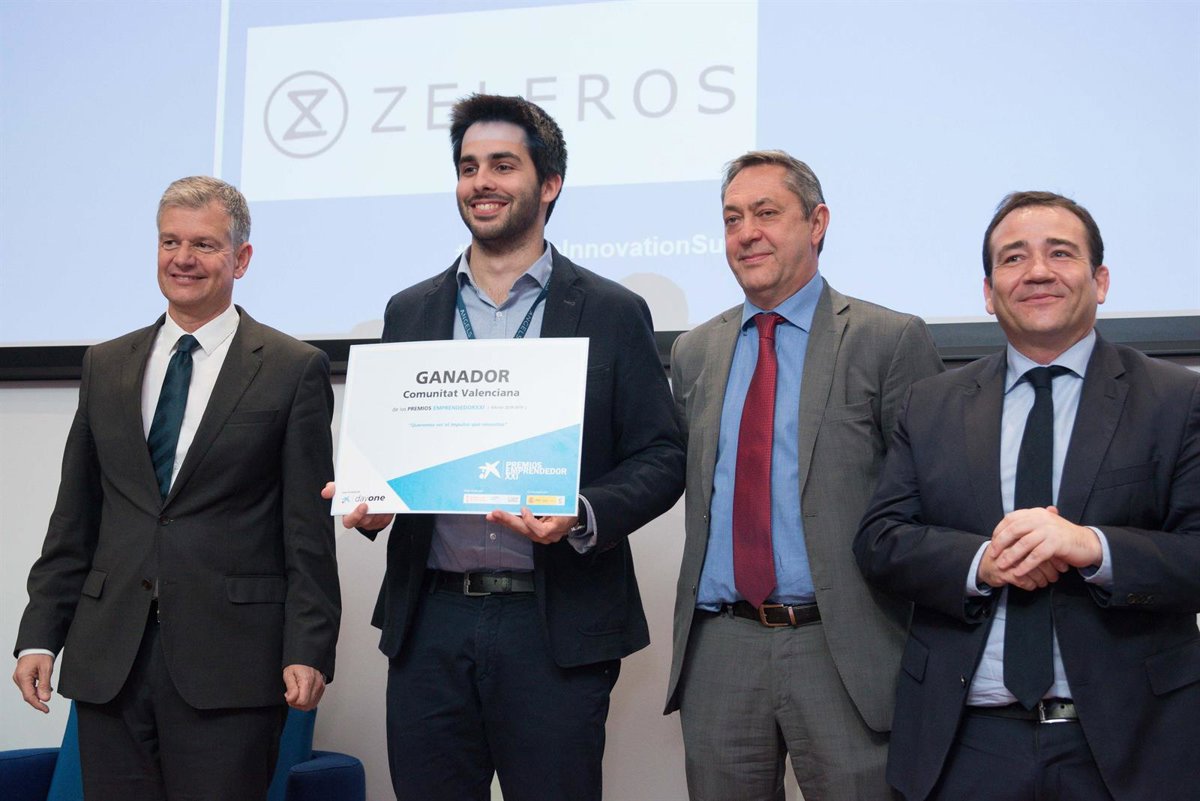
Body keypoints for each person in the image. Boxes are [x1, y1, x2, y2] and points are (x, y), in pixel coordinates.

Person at [326, 94, 685, 801]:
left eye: (501, 165)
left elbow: (663, 455)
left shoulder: (611, 310)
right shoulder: (411, 310)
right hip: (430, 620)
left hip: (553, 625)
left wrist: (583, 511)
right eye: (467, 168)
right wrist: (374, 496)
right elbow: (394, 448)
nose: (480, 182)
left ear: (549, 183)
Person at [854, 191, 1200, 801]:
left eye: (1060, 253)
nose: (1037, 271)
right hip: (965, 742)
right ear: (989, 294)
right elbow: (881, 540)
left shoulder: (1175, 399)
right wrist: (981, 563)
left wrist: (1093, 548)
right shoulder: (932, 403)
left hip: (1129, 743)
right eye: (1013, 258)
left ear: (1101, 281)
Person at [12, 176, 341, 801]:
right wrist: (39, 635)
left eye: (204, 245)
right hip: (110, 659)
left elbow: (307, 532)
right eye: (170, 242)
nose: (183, 258)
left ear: (241, 258)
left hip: (231, 666)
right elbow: (75, 517)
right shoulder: (105, 364)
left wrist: (309, 647)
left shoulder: (293, 368)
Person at [664, 150, 944, 801]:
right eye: (732, 218)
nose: (746, 233)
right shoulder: (694, 351)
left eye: (766, 213)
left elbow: (933, 502)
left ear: (817, 223)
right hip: (721, 646)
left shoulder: (887, 339)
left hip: (842, 645)